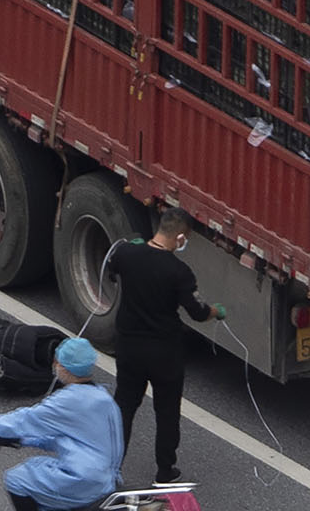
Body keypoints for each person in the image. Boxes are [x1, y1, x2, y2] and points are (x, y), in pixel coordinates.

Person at [107, 207, 226, 485]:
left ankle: (112, 467)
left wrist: (131, 250)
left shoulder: (127, 254)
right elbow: (196, 312)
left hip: (129, 345)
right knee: (167, 411)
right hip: (165, 352)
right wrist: (214, 311)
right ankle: (165, 471)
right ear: (181, 237)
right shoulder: (179, 272)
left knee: (124, 405)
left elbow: (112, 269)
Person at [0, 338, 123, 511]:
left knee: (17, 479)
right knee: (36, 467)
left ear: (63, 367)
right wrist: (27, 440)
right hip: (104, 477)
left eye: (56, 362)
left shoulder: (69, 400)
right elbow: (74, 437)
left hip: (84, 479)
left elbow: (23, 420)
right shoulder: (101, 397)